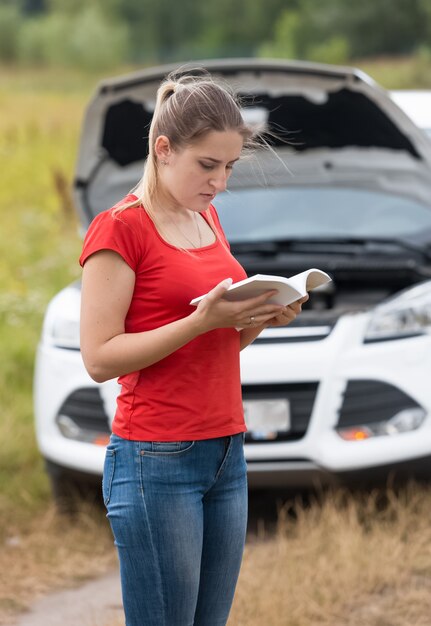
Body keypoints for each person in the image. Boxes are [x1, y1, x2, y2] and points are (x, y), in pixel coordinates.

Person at [79, 70, 307, 626]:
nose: (220, 182)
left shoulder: (206, 216)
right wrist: (201, 322)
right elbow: (99, 359)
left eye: (229, 166)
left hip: (226, 450)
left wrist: (258, 320)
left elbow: (211, 344)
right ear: (164, 149)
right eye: (208, 165)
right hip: (157, 457)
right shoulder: (119, 230)